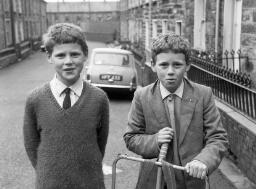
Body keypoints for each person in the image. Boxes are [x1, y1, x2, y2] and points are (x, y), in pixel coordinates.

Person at [123, 34, 228, 189]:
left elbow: (218, 138)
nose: (170, 71)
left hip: (192, 180)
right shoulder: (142, 96)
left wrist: (203, 160)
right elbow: (131, 138)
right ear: (153, 65)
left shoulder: (203, 94)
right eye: (164, 65)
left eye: (177, 65)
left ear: (188, 66)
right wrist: (155, 140)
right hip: (154, 181)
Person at [23, 23, 109, 189]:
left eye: (75, 54)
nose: (68, 61)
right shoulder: (35, 99)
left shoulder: (99, 99)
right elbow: (31, 145)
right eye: (61, 55)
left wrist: (87, 170)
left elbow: (100, 144)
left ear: (85, 55)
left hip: (90, 183)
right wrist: (47, 172)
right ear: (49, 57)